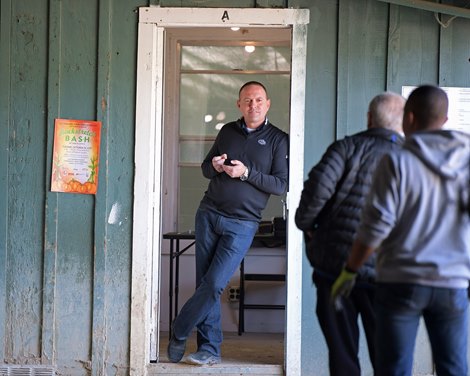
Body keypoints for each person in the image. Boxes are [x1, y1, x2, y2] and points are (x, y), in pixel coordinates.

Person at [331, 85, 470, 375]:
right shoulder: (466, 158)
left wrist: (350, 270)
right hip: (453, 282)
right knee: (454, 367)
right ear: (445, 119)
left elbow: (374, 227)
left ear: (408, 118)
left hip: (400, 281)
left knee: (393, 368)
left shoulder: (396, 161)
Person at [167, 81, 288, 365]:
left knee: (214, 284)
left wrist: (246, 173)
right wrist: (218, 166)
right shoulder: (227, 132)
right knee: (204, 283)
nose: (253, 105)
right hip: (208, 214)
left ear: (267, 104)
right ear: (239, 105)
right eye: (247, 100)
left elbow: (280, 184)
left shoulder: (278, 139)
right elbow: (206, 168)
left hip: (243, 223)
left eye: (258, 100)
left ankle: (180, 328)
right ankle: (209, 349)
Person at [295, 91, 406, 376]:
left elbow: (316, 192)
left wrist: (307, 226)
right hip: (390, 276)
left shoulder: (345, 148)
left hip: (335, 267)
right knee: (388, 357)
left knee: (342, 354)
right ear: (405, 121)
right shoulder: (413, 158)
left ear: (369, 118)